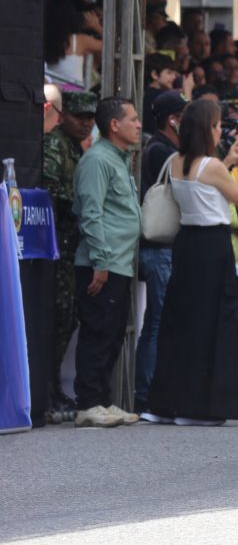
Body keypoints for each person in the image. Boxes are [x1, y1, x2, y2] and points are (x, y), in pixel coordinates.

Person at [143, 99, 238, 426]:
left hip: (187, 244)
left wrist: (229, 161)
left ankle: (164, 404)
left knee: (180, 322)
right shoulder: (212, 166)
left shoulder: (176, 160)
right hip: (213, 245)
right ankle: (203, 407)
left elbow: (203, 184)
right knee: (213, 324)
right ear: (207, 129)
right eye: (218, 125)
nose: (221, 129)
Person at [71, 97, 143, 428]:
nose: (139, 125)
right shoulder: (97, 160)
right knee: (97, 332)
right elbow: (91, 213)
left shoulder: (118, 158)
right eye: (133, 119)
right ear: (114, 125)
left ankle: (101, 399)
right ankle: (87, 402)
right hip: (102, 263)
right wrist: (100, 259)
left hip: (118, 263)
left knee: (112, 335)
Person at [42, 90, 96, 422]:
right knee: (58, 319)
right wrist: (82, 201)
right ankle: (46, 390)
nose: (86, 123)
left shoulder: (77, 148)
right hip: (56, 247)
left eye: (91, 118)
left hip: (70, 247)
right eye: (80, 117)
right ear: (64, 117)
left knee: (68, 319)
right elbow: (48, 189)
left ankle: (53, 387)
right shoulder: (55, 145)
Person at [135, 90, 187, 412]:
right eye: (185, 117)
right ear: (172, 120)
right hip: (159, 247)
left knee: (159, 321)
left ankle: (151, 392)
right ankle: (147, 394)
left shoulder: (164, 149)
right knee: (157, 323)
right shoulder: (160, 151)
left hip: (164, 249)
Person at [143, 53, 179, 134]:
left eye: (174, 73)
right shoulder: (164, 96)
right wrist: (188, 89)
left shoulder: (145, 92)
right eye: (169, 73)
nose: (174, 77)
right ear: (154, 74)